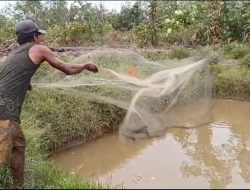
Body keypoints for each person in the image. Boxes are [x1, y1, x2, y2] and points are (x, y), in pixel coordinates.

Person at [0, 19, 98, 187]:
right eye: (39, 35)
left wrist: (27, 83)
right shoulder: (38, 49)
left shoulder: (14, 54)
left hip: (9, 111)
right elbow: (68, 69)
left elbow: (11, 75)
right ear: (34, 36)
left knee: (18, 148)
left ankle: (19, 186)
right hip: (4, 111)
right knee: (1, 157)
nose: (40, 39)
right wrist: (85, 66)